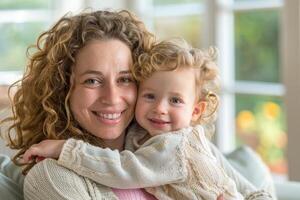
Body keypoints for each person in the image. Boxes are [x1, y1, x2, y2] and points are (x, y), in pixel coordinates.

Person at [0, 9, 275, 200]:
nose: (112, 97)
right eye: (92, 81)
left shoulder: (175, 141)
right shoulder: (53, 178)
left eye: (125, 79)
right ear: (62, 90)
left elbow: (255, 193)